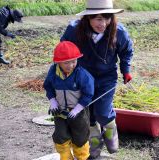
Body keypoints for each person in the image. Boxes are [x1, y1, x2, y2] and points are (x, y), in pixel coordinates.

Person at [60, 0, 133, 159]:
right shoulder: (74, 30)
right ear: (88, 18)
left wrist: (126, 70)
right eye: (98, 19)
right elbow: (63, 50)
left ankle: (110, 130)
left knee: (102, 111)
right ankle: (94, 146)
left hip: (107, 78)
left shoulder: (118, 32)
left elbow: (126, 50)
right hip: (83, 79)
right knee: (88, 115)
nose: (103, 23)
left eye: (107, 18)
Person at [43, 41, 95, 160]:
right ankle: (66, 157)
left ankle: (83, 157)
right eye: (67, 62)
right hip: (59, 111)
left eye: (74, 61)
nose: (71, 65)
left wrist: (77, 109)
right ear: (58, 62)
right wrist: (53, 101)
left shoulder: (82, 74)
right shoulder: (53, 72)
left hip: (78, 112)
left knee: (80, 137)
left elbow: (88, 94)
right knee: (60, 136)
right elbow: (48, 87)